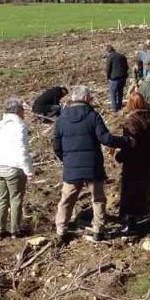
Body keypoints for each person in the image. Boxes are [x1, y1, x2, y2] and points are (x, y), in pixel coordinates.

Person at [52, 86, 132, 242]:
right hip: (92, 166)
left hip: (72, 168)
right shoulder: (92, 116)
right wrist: (125, 141)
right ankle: (98, 230)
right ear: (86, 98)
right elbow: (106, 139)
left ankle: (61, 230)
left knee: (67, 199)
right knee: (98, 199)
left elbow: (56, 145)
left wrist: (66, 159)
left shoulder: (61, 119)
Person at [0, 97, 34, 238]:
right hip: (14, 168)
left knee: (1, 199)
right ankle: (15, 230)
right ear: (18, 111)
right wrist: (29, 171)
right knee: (16, 198)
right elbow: (22, 150)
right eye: (23, 109)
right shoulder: (20, 126)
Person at [116, 91, 150, 234]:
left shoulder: (131, 122)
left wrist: (119, 156)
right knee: (143, 189)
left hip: (134, 162)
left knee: (130, 192)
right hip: (149, 159)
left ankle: (129, 222)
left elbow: (129, 145)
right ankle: (141, 214)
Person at [105, 45, 129, 112]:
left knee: (113, 93)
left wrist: (107, 77)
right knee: (120, 92)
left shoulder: (110, 57)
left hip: (114, 79)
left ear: (108, 51)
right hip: (123, 77)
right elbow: (127, 67)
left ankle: (114, 109)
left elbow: (108, 69)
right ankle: (119, 106)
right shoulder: (122, 56)